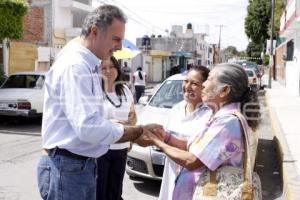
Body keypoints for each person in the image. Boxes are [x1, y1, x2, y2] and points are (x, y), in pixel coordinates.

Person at [37, 5, 161, 200]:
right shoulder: (76, 66)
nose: (120, 47)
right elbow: (88, 127)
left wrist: (130, 130)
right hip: (68, 168)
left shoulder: (89, 64)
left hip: (80, 166)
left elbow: (94, 120)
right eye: (116, 39)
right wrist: (135, 132)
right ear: (95, 31)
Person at [137, 63, 260, 200]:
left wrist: (157, 142)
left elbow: (193, 161)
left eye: (209, 79)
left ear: (224, 90)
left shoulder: (228, 123)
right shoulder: (220, 117)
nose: (204, 85)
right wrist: (165, 137)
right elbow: (194, 148)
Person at [158, 65, 212, 200]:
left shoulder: (210, 115)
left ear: (205, 87)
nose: (187, 86)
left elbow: (196, 153)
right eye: (186, 81)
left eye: (194, 83)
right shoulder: (176, 109)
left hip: (193, 180)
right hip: (170, 174)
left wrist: (161, 140)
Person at [97, 56, 136, 200]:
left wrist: (131, 135)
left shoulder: (125, 89)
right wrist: (117, 124)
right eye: (103, 68)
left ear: (117, 69)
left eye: (111, 67)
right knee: (99, 191)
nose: (108, 71)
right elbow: (93, 120)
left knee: (115, 191)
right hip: (101, 149)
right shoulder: (94, 91)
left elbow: (132, 115)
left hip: (121, 148)